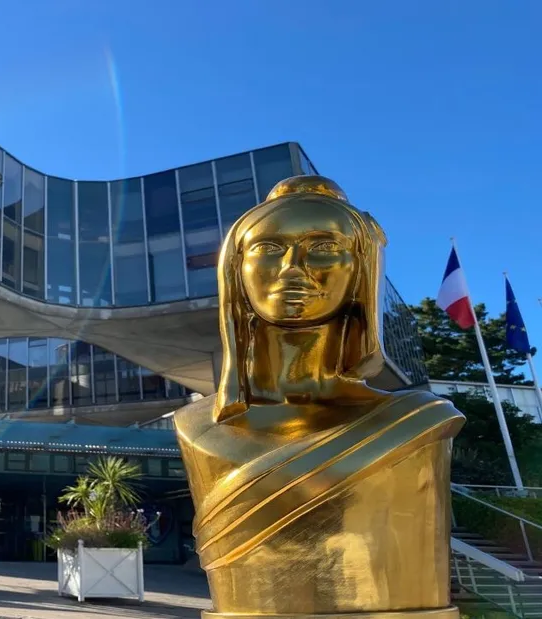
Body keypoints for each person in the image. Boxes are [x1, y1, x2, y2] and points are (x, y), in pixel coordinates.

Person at [174, 175, 464, 618]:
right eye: (269, 249)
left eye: (323, 247)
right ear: (236, 267)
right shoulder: (195, 425)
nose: (293, 267)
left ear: (360, 269)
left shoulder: (416, 421)